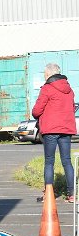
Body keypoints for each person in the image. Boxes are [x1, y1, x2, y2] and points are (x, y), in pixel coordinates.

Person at [32, 63, 76, 203]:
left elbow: (37, 111)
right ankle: (72, 195)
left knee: (49, 162)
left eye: (45, 74)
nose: (44, 76)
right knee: (67, 161)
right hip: (66, 129)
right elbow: (71, 108)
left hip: (51, 129)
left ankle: (49, 194)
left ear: (49, 74)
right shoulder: (69, 90)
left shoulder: (47, 88)